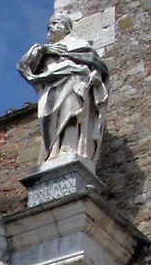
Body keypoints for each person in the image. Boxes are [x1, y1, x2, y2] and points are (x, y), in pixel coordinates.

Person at [18, 13, 110, 167]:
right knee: (48, 119)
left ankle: (69, 147)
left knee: (72, 111)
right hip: (51, 90)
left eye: (56, 23)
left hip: (75, 83)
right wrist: (44, 50)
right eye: (50, 26)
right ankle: (53, 151)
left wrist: (96, 74)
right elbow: (24, 66)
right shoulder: (44, 50)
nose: (51, 28)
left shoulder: (79, 44)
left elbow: (97, 65)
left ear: (66, 28)